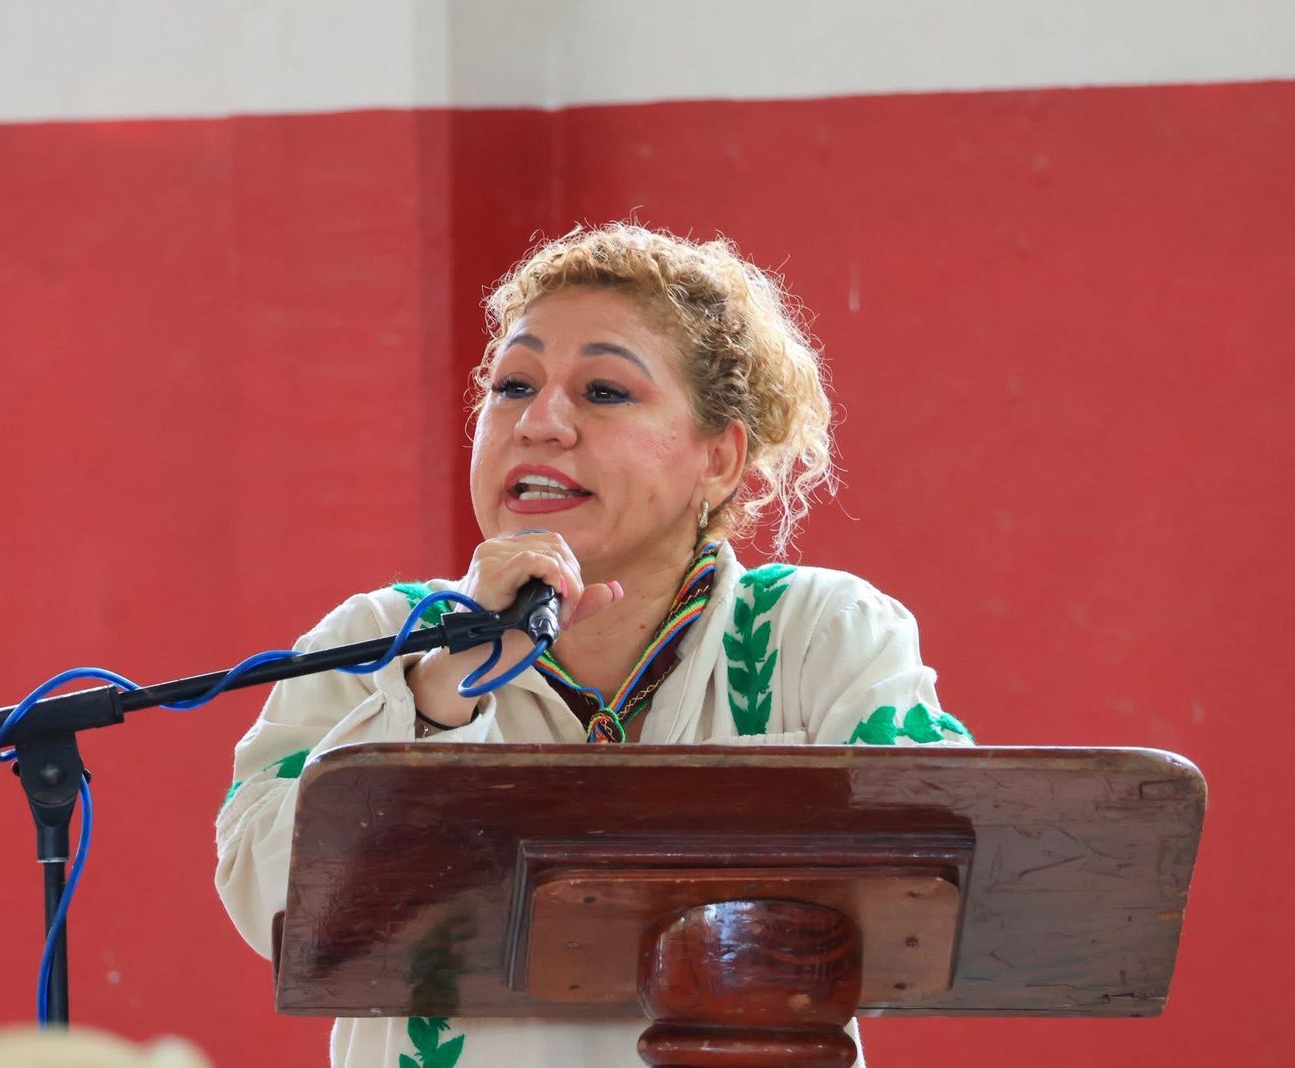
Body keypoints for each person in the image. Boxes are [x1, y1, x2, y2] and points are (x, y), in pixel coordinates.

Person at [215, 223, 974, 1067]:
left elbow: (947, 895)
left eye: (605, 391)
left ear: (721, 460)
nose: (540, 423)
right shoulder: (373, 642)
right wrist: (440, 691)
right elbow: (271, 906)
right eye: (512, 385)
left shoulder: (821, 634)